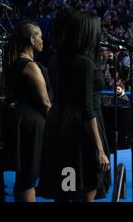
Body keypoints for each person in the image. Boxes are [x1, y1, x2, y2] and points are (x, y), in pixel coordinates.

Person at [39, 12, 111, 201]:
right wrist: (99, 149)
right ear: (89, 33)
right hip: (81, 130)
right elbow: (87, 109)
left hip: (58, 124)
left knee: (65, 186)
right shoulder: (85, 63)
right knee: (87, 182)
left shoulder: (56, 58)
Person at [3, 20, 52, 202]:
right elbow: (46, 102)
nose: (42, 40)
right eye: (39, 36)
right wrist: (56, 127)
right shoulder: (30, 66)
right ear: (32, 39)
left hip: (20, 121)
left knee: (23, 178)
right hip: (32, 125)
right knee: (28, 179)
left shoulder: (15, 63)